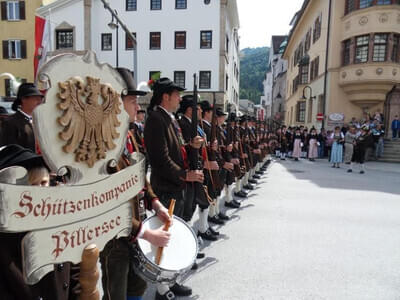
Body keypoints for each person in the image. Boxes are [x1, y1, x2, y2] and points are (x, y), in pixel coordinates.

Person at [100, 68, 172, 300]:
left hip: (135, 228)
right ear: (115, 104)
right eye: (132, 101)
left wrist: (155, 203)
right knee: (115, 292)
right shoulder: (101, 146)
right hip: (114, 241)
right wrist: (148, 234)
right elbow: (107, 204)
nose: (137, 107)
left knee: (137, 289)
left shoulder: (128, 136)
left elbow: (140, 177)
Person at [144, 77, 204, 300]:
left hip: (176, 186)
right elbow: (161, 160)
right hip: (167, 188)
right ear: (165, 96)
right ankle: (162, 289)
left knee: (173, 237)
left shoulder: (168, 118)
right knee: (166, 240)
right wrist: (184, 174)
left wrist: (190, 146)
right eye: (176, 94)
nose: (180, 98)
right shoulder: (155, 120)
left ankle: (171, 281)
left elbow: (175, 149)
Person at [0, 144, 73, 300]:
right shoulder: (6, 233)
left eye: (44, 183)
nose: (41, 190)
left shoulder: (59, 220)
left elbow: (74, 268)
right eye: (34, 184)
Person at [0, 83, 44, 151]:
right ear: (24, 99)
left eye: (40, 99)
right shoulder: (11, 122)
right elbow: (9, 151)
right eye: (36, 99)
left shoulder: (39, 121)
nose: (39, 102)